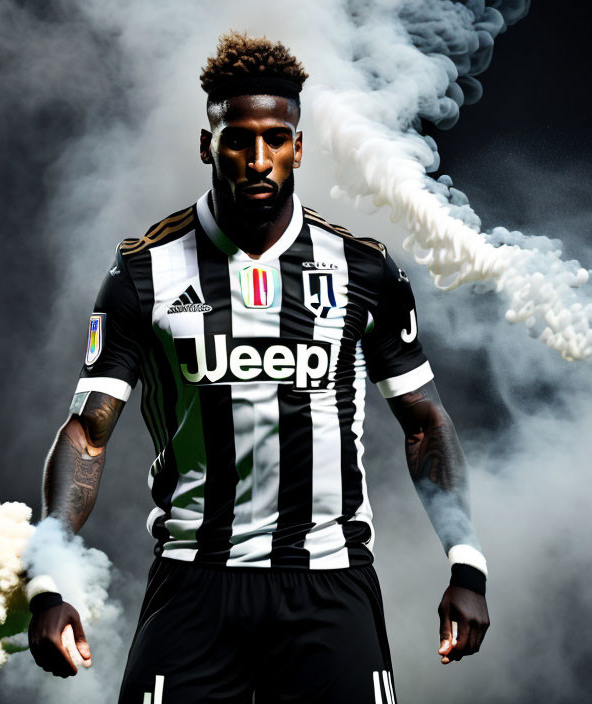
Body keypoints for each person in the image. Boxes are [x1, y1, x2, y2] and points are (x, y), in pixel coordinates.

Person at [26, 31, 489, 703]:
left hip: (330, 584)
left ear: (298, 146)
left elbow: (424, 422)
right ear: (208, 144)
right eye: (238, 139)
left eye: (275, 140)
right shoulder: (143, 273)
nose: (258, 159)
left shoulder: (362, 270)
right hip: (195, 580)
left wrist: (467, 566)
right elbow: (87, 435)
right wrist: (48, 579)